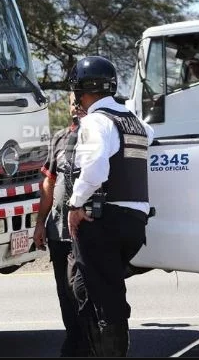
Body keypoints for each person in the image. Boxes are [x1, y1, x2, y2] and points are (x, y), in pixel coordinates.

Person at [64, 56, 154, 357]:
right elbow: (150, 138)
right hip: (134, 223)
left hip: (104, 222)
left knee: (98, 297)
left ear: (79, 91)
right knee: (94, 288)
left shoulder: (95, 122)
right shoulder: (134, 122)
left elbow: (95, 170)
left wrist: (74, 205)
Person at [33, 92, 90, 357]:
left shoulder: (100, 136)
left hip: (87, 231)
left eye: (80, 100)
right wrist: (40, 224)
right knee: (65, 292)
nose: (76, 105)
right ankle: (74, 340)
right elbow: (48, 184)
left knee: (82, 289)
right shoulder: (59, 138)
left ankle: (92, 342)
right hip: (58, 232)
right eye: (72, 101)